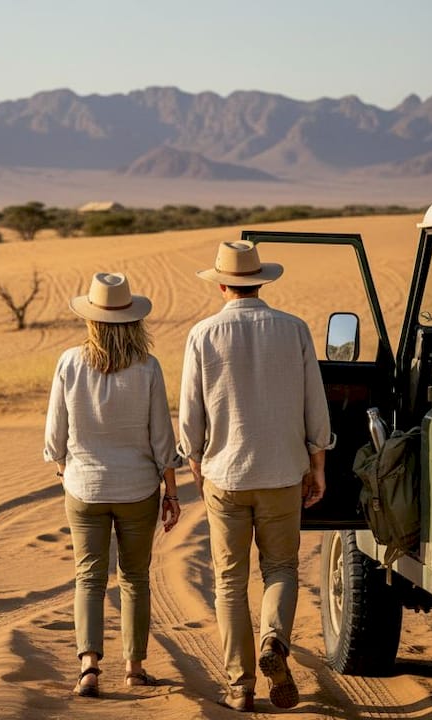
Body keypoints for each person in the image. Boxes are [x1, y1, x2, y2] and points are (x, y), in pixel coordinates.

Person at [177, 241, 332, 712]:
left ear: (222, 284)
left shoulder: (203, 334)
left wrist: (196, 461)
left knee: (229, 581)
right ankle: (274, 642)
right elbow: (314, 403)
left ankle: (240, 685)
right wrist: (318, 463)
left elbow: (190, 413)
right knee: (281, 569)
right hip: (284, 471)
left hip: (225, 475)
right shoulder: (294, 328)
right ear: (262, 281)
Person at [44, 272, 182, 698]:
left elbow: (54, 436)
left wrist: (65, 470)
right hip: (138, 488)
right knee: (135, 577)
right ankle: (135, 668)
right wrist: (171, 492)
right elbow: (162, 437)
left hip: (83, 487)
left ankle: (88, 667)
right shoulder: (148, 367)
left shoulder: (69, 362)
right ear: (132, 321)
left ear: (92, 320)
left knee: (88, 577)